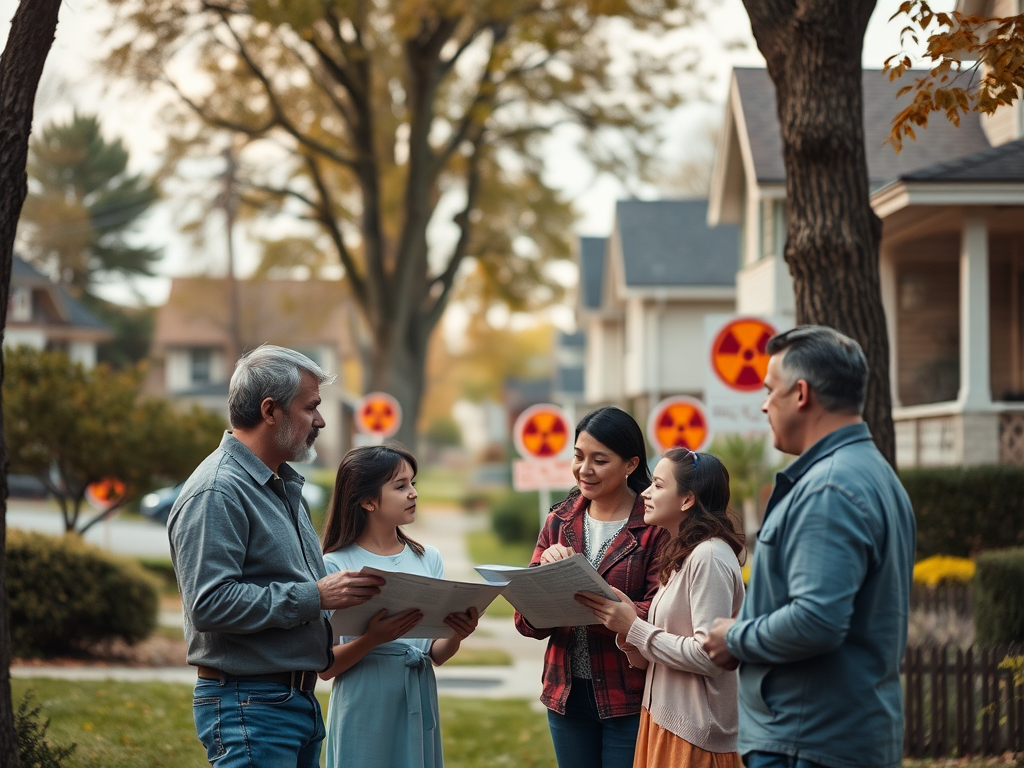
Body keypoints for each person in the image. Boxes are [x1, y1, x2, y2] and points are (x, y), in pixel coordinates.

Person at [702, 325, 916, 768]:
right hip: (837, 737)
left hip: (807, 744)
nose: (763, 405)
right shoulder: (874, 473)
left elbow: (817, 620)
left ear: (801, 394)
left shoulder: (830, 488)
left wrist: (734, 639)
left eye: (769, 390)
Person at [168, 345, 386, 768]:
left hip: (292, 702)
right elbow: (209, 604)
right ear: (271, 411)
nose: (321, 420)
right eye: (311, 407)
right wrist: (316, 596)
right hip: (250, 706)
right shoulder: (218, 491)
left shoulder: (280, 486)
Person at [514, 406, 670, 768]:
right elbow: (525, 621)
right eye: (579, 456)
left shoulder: (654, 526)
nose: (584, 469)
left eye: (599, 460)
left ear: (631, 464)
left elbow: (665, 609)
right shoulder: (560, 520)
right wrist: (543, 579)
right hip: (566, 694)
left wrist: (625, 615)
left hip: (628, 694)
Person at [579, 448, 745, 768]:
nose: (645, 492)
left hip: (695, 739)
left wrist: (635, 627)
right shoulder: (682, 554)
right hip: (662, 724)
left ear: (687, 500)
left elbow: (709, 657)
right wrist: (626, 631)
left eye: (657, 485)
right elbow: (660, 654)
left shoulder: (708, 557)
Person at [319, 444, 479, 768]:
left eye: (413, 484)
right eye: (400, 486)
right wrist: (372, 639)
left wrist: (458, 634)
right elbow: (326, 669)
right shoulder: (335, 566)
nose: (413, 493)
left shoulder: (427, 557)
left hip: (417, 695)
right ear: (367, 501)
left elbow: (434, 653)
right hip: (363, 704)